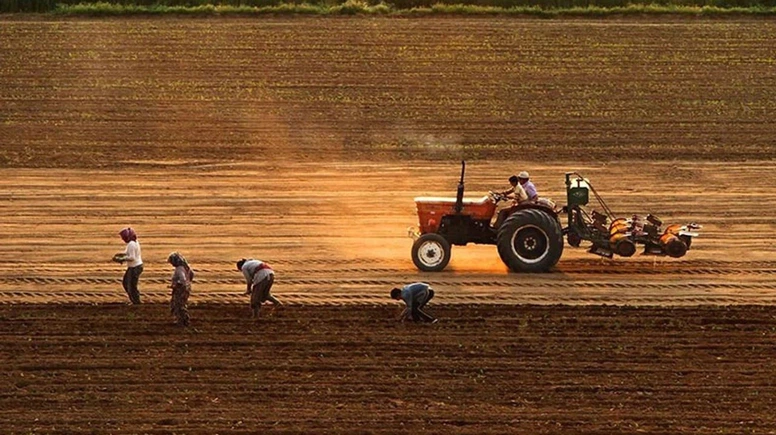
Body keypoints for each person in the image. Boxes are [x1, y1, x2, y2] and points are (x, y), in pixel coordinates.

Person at [113, 227, 143, 305]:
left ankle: (136, 302)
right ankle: (134, 300)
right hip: (136, 266)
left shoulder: (131, 244)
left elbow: (132, 257)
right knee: (127, 283)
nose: (123, 239)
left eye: (123, 237)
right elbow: (128, 253)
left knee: (131, 286)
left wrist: (122, 259)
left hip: (134, 267)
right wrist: (121, 255)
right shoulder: (135, 242)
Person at [167, 252, 193, 327]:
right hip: (186, 288)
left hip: (181, 289)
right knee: (182, 304)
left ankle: (182, 321)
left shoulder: (179, 269)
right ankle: (183, 320)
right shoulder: (186, 267)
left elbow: (182, 279)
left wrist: (176, 285)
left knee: (178, 304)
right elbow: (191, 275)